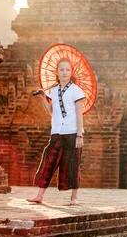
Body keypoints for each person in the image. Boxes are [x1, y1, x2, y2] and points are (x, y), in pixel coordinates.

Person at [27, 58, 85, 205]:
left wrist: (79, 135)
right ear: (57, 73)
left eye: (67, 70)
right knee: (48, 161)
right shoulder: (53, 90)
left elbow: (79, 114)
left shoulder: (76, 91)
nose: (64, 72)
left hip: (72, 132)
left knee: (73, 163)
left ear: (71, 72)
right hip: (57, 132)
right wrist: (42, 99)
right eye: (62, 70)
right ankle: (39, 195)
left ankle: (74, 198)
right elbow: (52, 112)